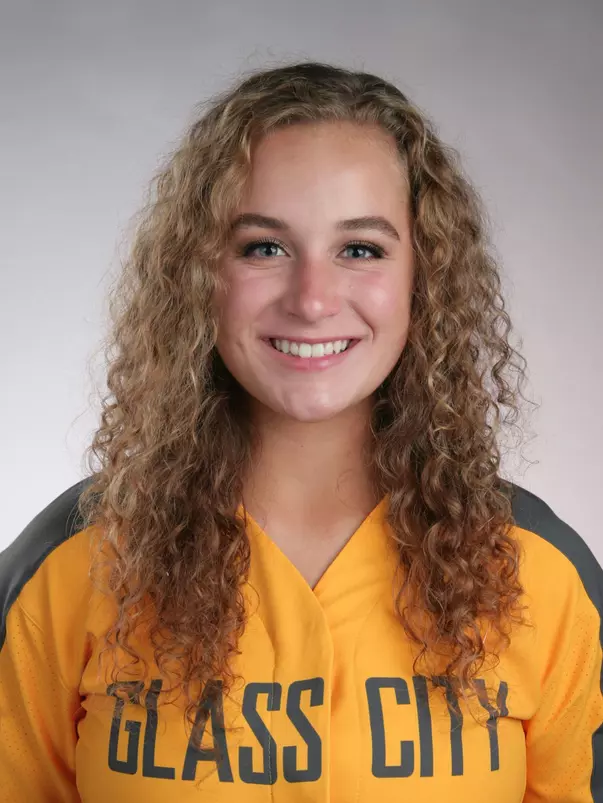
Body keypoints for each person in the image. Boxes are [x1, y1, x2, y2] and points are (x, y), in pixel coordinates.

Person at [0, 60, 601, 803]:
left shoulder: (536, 570)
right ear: (199, 275)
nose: (312, 299)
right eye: (263, 247)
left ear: (424, 275)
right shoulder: (73, 562)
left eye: (360, 249)